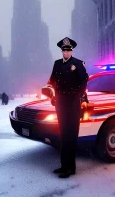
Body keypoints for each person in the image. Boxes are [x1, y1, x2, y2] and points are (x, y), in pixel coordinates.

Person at [47, 37, 88, 178]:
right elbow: (51, 81)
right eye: (64, 50)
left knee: (71, 136)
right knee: (63, 136)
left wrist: (81, 98)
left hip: (72, 103)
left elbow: (84, 82)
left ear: (72, 51)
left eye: (68, 50)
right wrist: (51, 93)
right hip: (61, 104)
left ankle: (71, 168)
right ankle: (64, 165)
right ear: (61, 51)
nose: (66, 52)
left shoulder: (78, 64)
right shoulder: (57, 64)